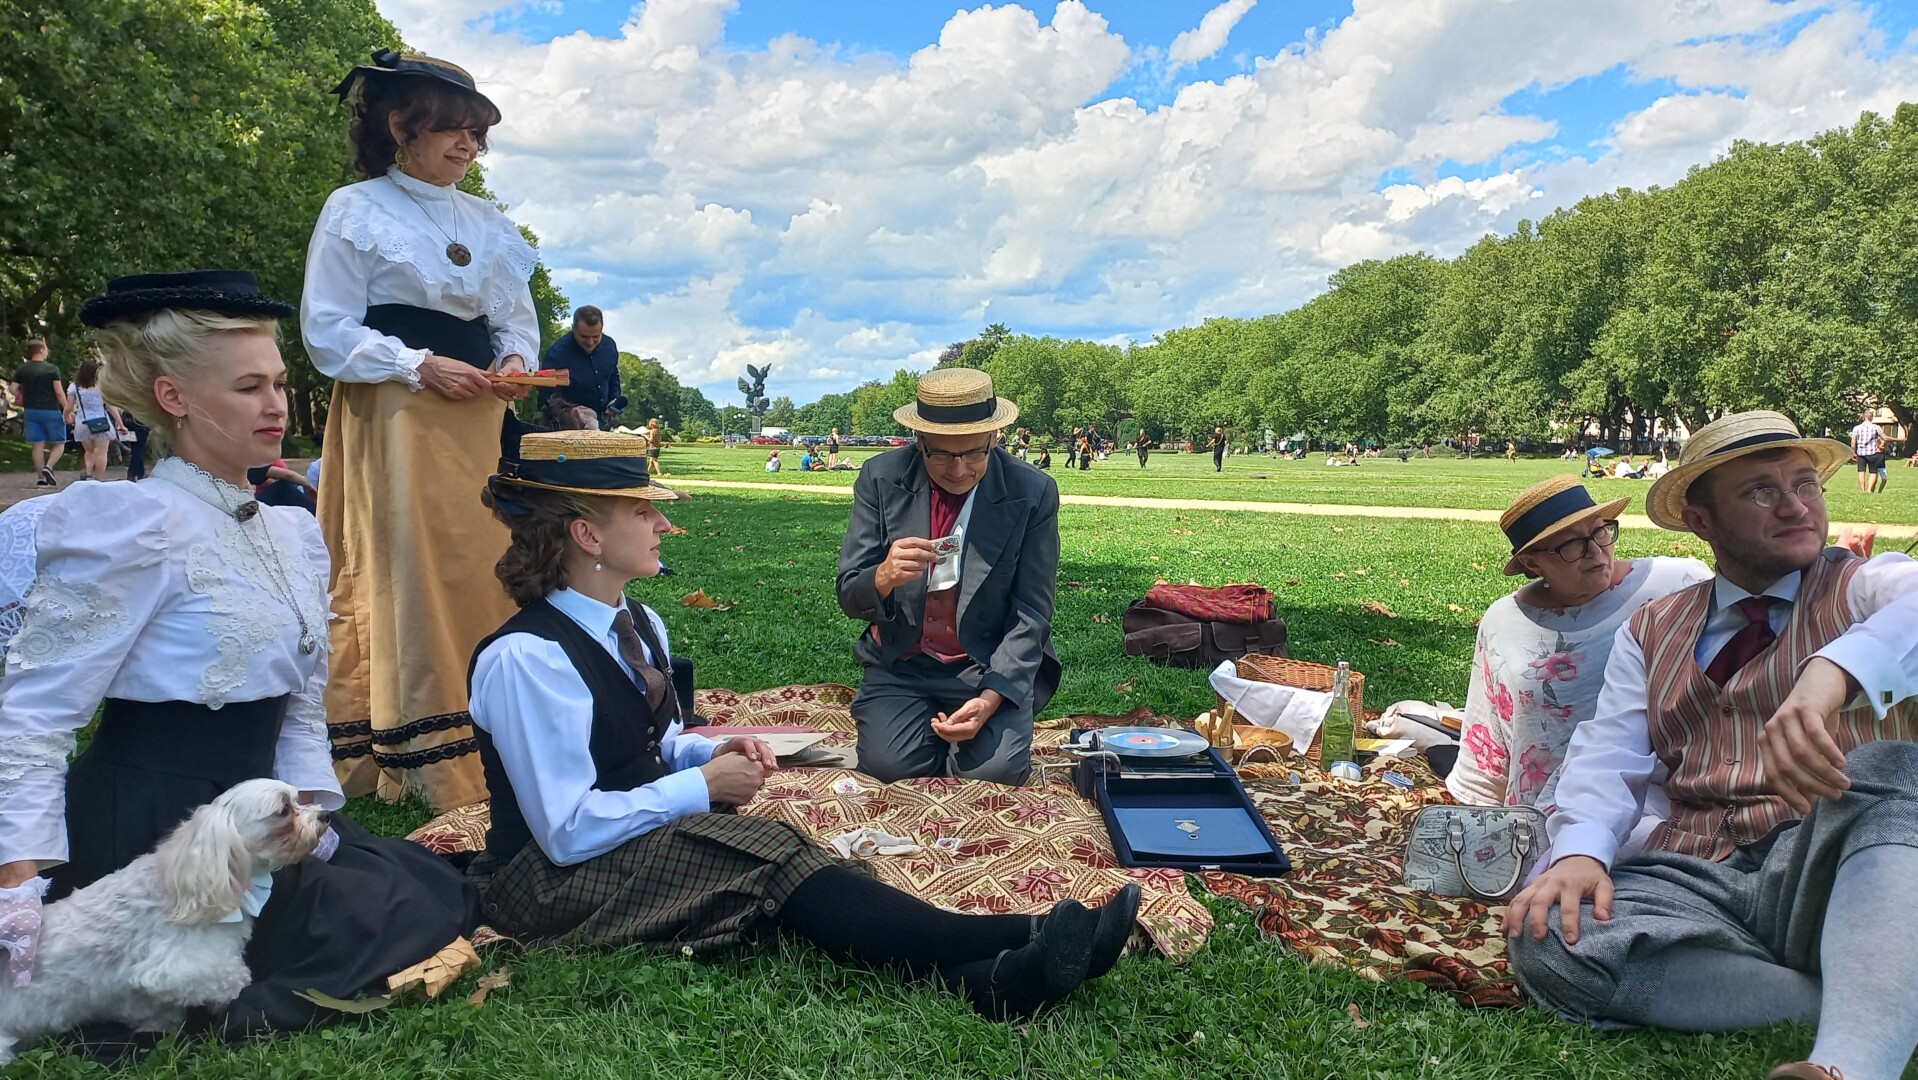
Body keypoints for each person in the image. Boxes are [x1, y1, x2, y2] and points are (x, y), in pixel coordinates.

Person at [465, 429, 1135, 1019]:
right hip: (544, 883)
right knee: (771, 856)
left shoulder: (638, 623)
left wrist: (701, 753)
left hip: (626, 839)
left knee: (775, 854)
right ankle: (1021, 934)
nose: (663, 524)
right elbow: (566, 833)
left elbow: (645, 743)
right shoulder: (528, 659)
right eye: (642, 511)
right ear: (587, 535)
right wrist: (700, 788)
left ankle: (991, 982)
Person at [0, 271, 476, 1038]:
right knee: (366, 927)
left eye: (281, 383)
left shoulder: (288, 528)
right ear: (174, 398)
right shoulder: (133, 525)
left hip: (262, 808)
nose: (277, 405)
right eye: (250, 386)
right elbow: (35, 716)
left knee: (419, 888)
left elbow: (298, 701)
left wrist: (316, 818)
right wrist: (19, 879)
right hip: (156, 825)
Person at [1504, 411, 1918, 1080]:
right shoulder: (1655, 627)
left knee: (1894, 767)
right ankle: (1862, 993)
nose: (1795, 507)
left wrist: (1832, 672)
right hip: (1700, 879)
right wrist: (1579, 852)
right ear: (1701, 519)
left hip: (1834, 863)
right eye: (1760, 491)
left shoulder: (1864, 587)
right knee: (1551, 933)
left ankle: (1851, 1062)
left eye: (1806, 484)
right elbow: (1609, 752)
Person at [301, 51, 537, 809]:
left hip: (480, 415)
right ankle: (420, 745)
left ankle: (498, 723)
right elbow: (326, 331)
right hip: (396, 413)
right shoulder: (355, 207)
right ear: (402, 126)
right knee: (411, 566)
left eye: (476, 134)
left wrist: (512, 362)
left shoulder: (489, 223)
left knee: (490, 556)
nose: (468, 146)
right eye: (453, 130)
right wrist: (416, 364)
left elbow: (515, 323)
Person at [836, 368, 1059, 785]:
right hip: (901, 663)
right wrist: (882, 576)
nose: (958, 471)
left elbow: (1032, 612)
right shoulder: (880, 478)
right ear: (919, 442)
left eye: (974, 453)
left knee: (993, 775)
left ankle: (981, 731)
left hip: (987, 664)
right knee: (888, 768)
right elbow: (851, 591)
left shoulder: (1032, 492)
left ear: (995, 439)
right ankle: (917, 732)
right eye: (940, 454)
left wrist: (993, 697)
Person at [1447, 476, 1711, 813]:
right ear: (1532, 561)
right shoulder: (1504, 622)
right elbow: (1489, 747)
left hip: (1669, 809)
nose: (1597, 552)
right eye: (1572, 545)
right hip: (1542, 823)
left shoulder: (1678, 584)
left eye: (1600, 531)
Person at [537, 306, 623, 429]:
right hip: (566, 426)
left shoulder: (610, 346)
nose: (590, 342)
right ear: (573, 329)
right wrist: (570, 412)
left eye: (595, 337)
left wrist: (614, 399)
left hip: (603, 423)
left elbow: (612, 375)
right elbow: (547, 395)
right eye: (584, 337)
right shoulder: (557, 354)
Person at [11, 341, 68, 488]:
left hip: (31, 410)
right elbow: (59, 393)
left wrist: (23, 396)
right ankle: (48, 467)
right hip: (50, 409)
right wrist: (67, 409)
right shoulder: (51, 369)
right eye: (46, 349)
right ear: (41, 350)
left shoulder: (22, 369)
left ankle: (41, 478)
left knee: (37, 445)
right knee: (60, 443)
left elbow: (12, 388)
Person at [63, 357, 126, 482]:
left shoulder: (74, 387)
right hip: (102, 423)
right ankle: (99, 478)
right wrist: (120, 423)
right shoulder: (102, 386)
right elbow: (110, 406)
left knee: (89, 451)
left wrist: (66, 417)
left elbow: (68, 407)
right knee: (101, 453)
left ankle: (87, 473)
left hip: (83, 423)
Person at [249, 458, 319, 514]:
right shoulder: (249, 467)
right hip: (251, 507)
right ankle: (314, 513)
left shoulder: (242, 466)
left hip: (250, 505)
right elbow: (288, 475)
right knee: (283, 486)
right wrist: (308, 486)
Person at [1851, 409, 1886, 495]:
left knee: (1861, 471)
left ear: (1863, 417)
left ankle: (1862, 490)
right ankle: (1869, 490)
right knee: (1873, 472)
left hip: (1861, 453)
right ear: (1871, 418)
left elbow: (1853, 442)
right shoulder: (1876, 427)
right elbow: (1884, 437)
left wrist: (1853, 452)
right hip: (1872, 452)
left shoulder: (1856, 428)